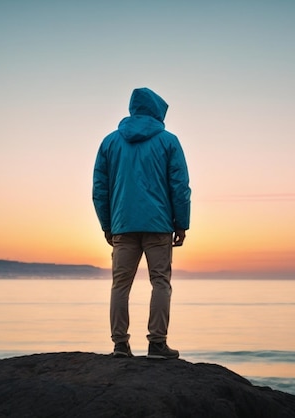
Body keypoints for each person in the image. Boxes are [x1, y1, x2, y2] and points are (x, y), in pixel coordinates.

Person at [92, 87, 191, 359]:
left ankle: (119, 345)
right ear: (158, 111)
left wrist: (107, 224)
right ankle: (157, 344)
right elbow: (179, 185)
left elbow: (100, 188)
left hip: (123, 224)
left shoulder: (110, 142)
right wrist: (181, 223)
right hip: (158, 224)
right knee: (160, 282)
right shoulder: (168, 141)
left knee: (120, 285)